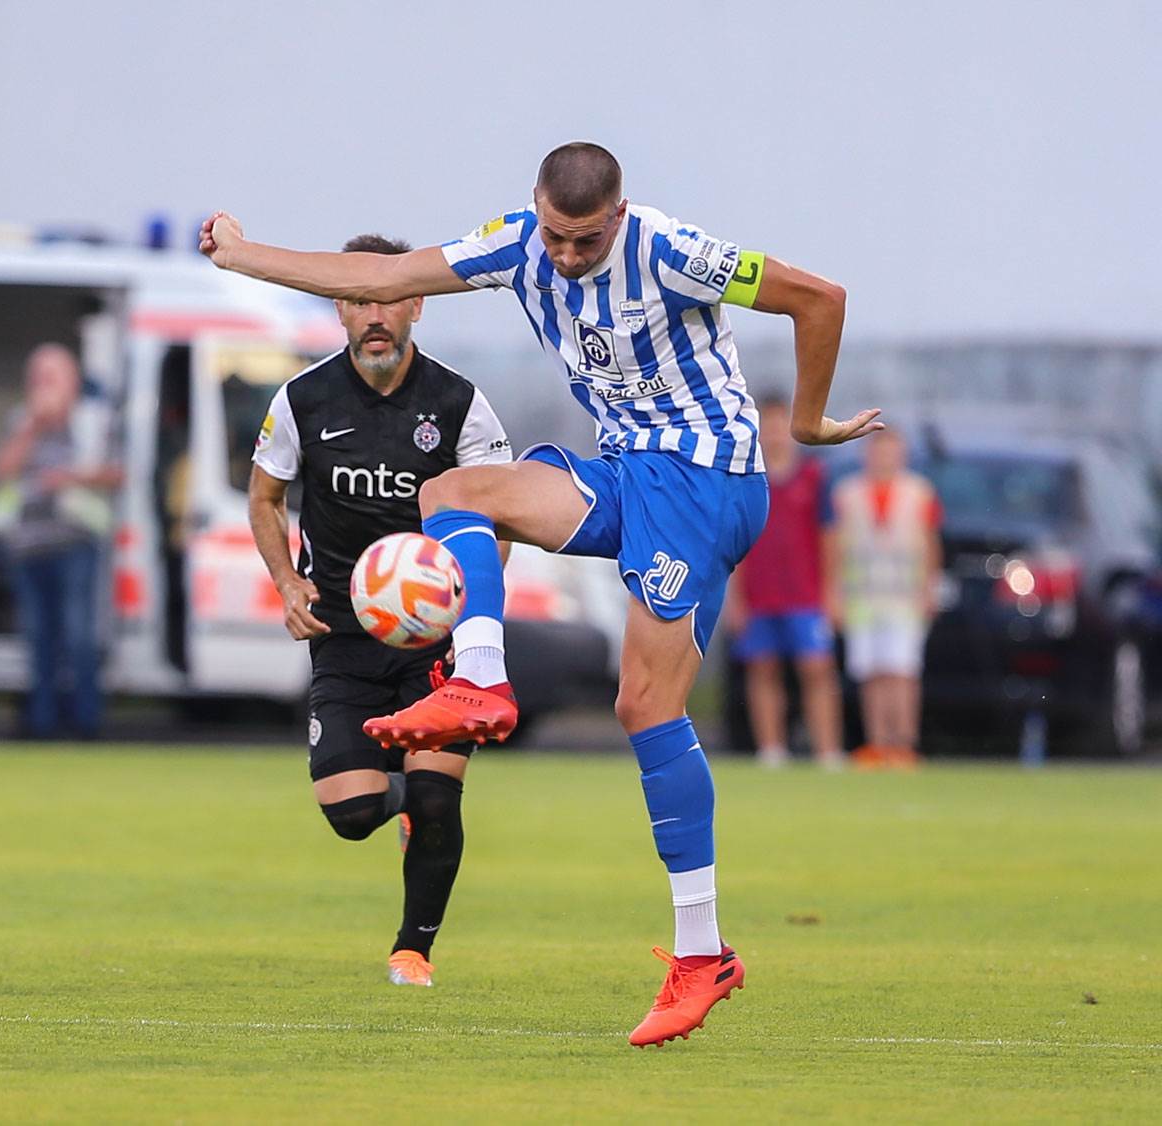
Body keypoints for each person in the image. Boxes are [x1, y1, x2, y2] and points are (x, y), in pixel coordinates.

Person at [199, 142, 883, 1047]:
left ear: (621, 214)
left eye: (585, 241)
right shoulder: (516, 246)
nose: (565, 257)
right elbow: (384, 272)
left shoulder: (672, 251)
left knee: (644, 708)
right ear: (536, 209)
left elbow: (819, 298)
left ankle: (701, 952)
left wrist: (803, 423)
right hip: (632, 473)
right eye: (557, 237)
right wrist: (244, 257)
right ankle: (478, 674)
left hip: (705, 479)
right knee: (452, 493)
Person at [247, 233, 513, 988]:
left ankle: (413, 950)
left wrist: (476, 623)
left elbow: (500, 519)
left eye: (390, 297)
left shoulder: (460, 404)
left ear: (417, 303)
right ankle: (401, 797)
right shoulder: (302, 400)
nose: (376, 314)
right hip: (343, 638)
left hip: (437, 644)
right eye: (360, 298)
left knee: (436, 796)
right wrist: (285, 581)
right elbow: (265, 497)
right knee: (352, 810)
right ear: (338, 306)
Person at [0, 344, 122, 739]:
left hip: (75, 540)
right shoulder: (22, 420)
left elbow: (117, 472)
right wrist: (32, 426)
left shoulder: (92, 420)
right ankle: (42, 722)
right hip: (28, 545)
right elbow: (4, 468)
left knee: (78, 634)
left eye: (52, 376)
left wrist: (70, 478)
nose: (44, 385)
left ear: (72, 380)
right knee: (38, 636)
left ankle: (85, 723)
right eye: (39, 377)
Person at [726, 395, 844, 768]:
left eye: (780, 423)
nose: (774, 433)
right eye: (768, 425)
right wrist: (735, 598)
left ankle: (827, 751)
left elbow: (830, 539)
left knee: (816, 668)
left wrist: (832, 592)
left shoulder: (814, 476)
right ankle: (771, 750)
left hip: (805, 595)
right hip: (760, 595)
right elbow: (736, 540)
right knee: (762, 668)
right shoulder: (745, 479)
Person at [825, 427, 942, 766]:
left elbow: (931, 544)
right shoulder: (847, 493)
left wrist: (929, 589)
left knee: (901, 672)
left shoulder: (919, 492)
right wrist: (834, 593)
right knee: (871, 672)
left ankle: (903, 742)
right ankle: (876, 742)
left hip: (904, 597)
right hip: (863, 597)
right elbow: (835, 547)